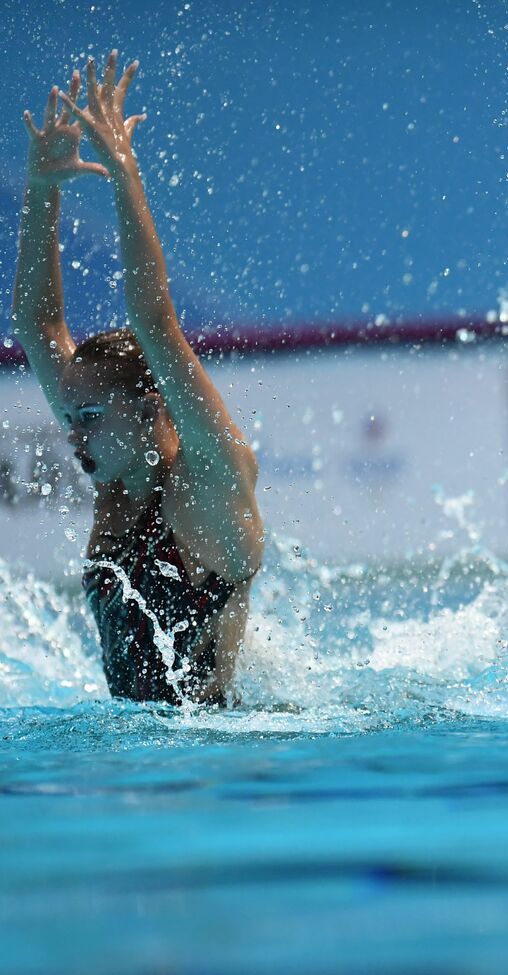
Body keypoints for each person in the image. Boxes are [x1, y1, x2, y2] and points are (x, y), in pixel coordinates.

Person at [12, 54, 263, 703]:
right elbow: (38, 327)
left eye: (90, 418)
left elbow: (155, 320)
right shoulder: (118, 479)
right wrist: (44, 190)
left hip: (220, 755)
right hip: (144, 751)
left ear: (152, 404)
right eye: (69, 419)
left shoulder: (209, 481)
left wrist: (123, 172)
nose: (74, 436)